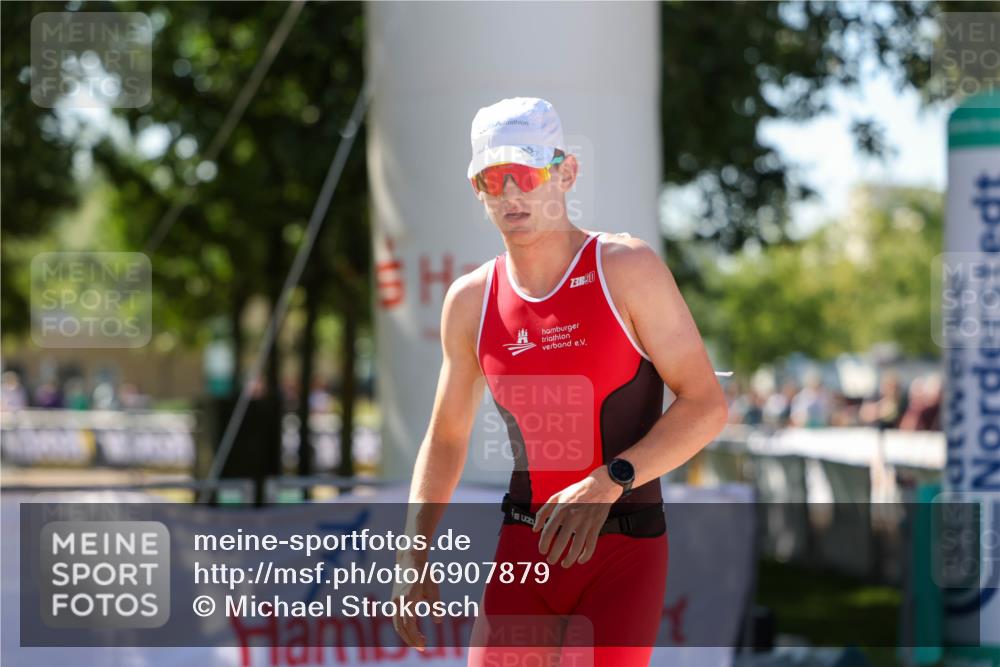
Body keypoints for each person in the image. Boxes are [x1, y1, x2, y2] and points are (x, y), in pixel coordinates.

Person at [390, 97, 728, 666]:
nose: (510, 193)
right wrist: (413, 553)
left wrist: (610, 478)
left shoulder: (625, 267)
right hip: (525, 550)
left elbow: (707, 405)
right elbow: (446, 437)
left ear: (566, 172)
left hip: (623, 550)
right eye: (493, 179)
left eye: (524, 173)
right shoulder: (470, 300)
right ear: (477, 190)